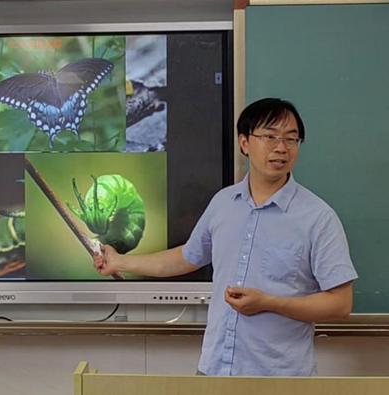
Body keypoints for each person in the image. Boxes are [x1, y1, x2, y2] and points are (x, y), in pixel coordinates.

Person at [94, 98, 358, 376]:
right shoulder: (223, 203)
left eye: (291, 139)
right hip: (215, 371)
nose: (281, 147)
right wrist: (120, 262)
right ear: (244, 143)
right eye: (269, 136)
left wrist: (270, 303)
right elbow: (186, 258)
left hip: (280, 378)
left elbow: (340, 304)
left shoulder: (317, 217)